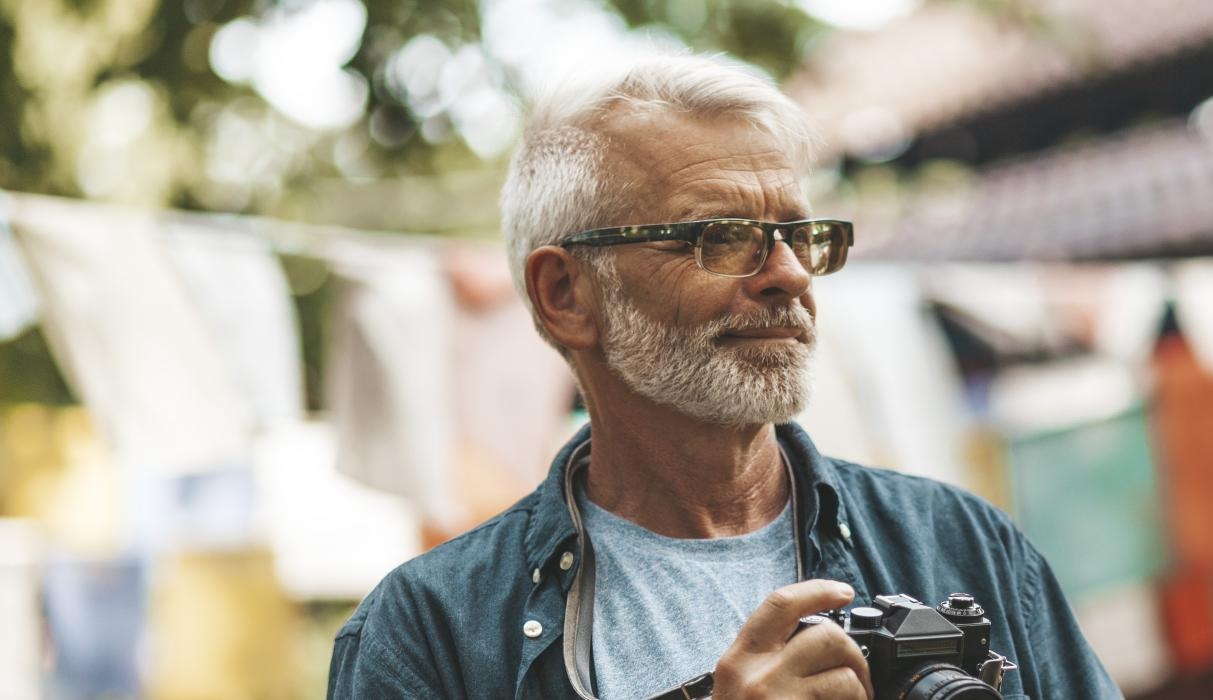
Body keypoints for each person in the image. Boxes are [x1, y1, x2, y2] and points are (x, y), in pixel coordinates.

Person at [326, 52, 1118, 699]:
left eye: (800, 236)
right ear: (566, 295)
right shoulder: (427, 635)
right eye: (723, 237)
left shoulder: (964, 547)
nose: (789, 276)